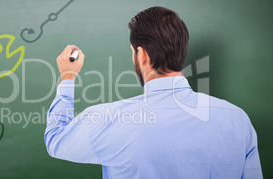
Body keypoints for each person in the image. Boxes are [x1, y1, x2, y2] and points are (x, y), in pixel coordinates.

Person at [44, 6, 262, 178]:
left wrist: (68, 76)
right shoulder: (237, 120)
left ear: (143, 55)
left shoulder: (109, 119)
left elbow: (56, 140)